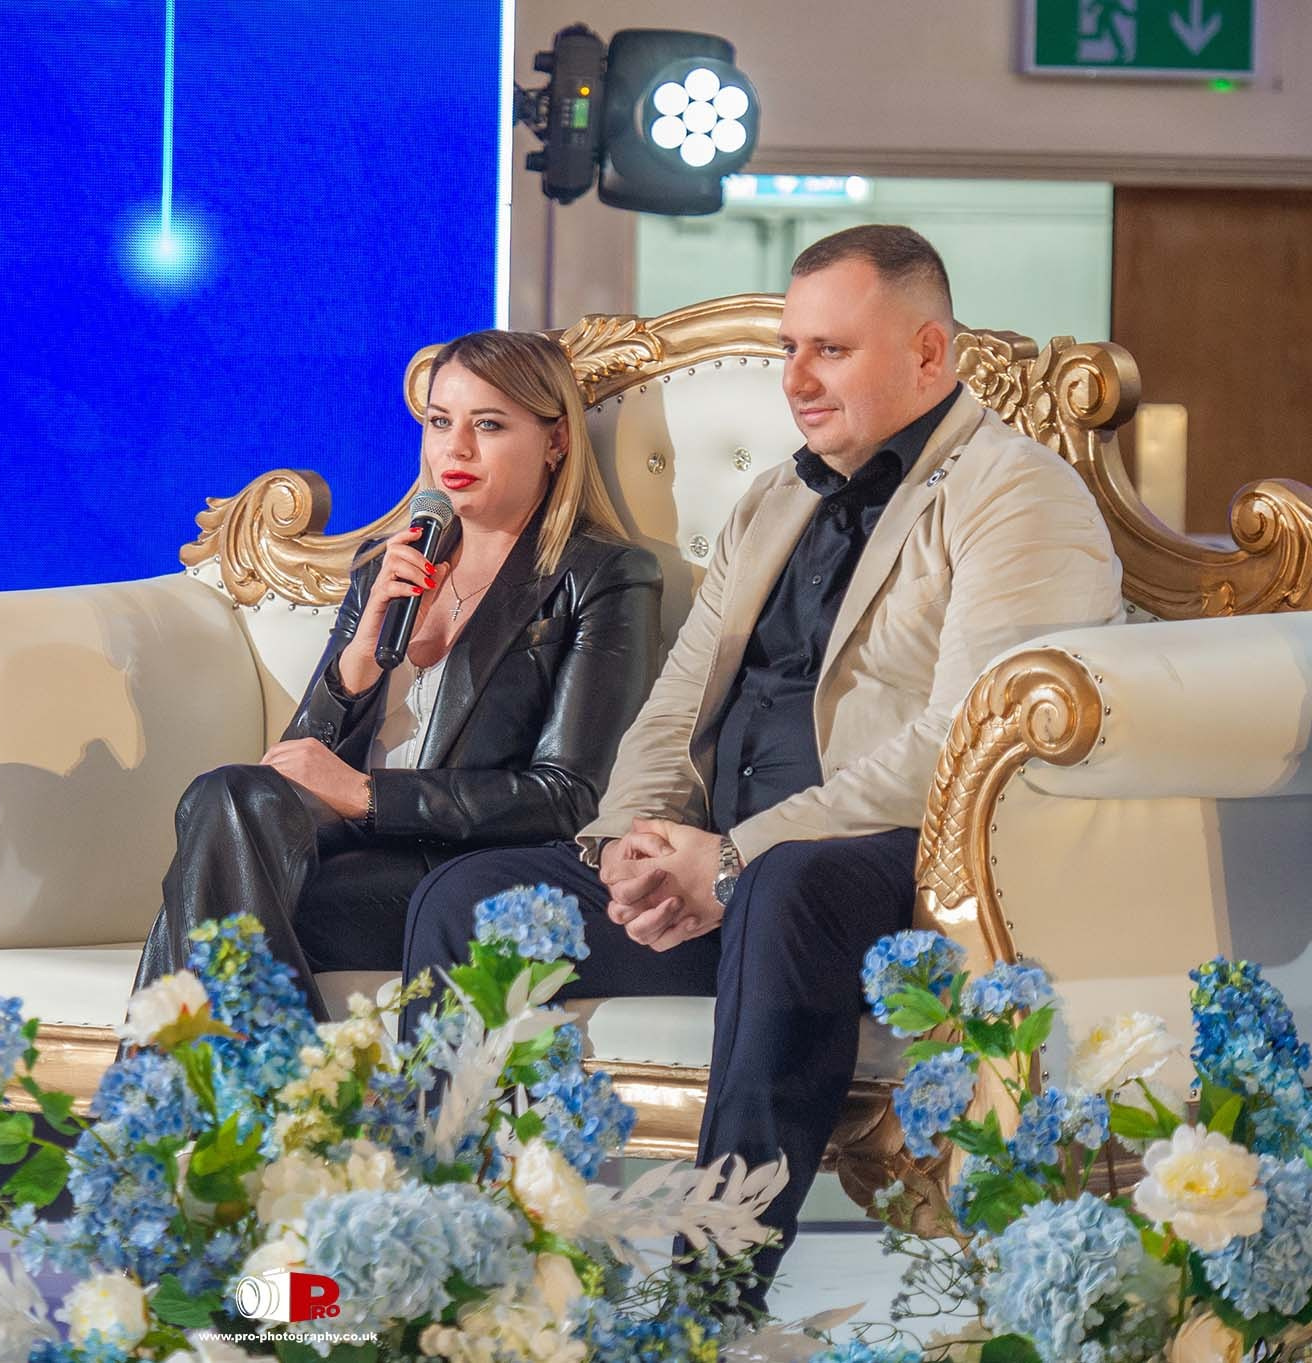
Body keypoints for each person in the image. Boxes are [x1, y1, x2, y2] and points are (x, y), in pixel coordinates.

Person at [398, 226, 1126, 1298]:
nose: (792, 379)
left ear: (929, 354)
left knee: (789, 884)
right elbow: (673, 703)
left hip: (901, 873)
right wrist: (628, 845)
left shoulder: (1016, 495)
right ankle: (427, 1250)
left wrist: (732, 858)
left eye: (827, 350)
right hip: (723, 867)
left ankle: (707, 1294)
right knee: (472, 895)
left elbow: (961, 744)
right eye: (788, 348)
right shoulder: (776, 499)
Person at [135, 330, 663, 1018]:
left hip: (461, 873)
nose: (456, 449)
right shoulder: (385, 568)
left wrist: (368, 794)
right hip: (345, 856)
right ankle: (280, 1101)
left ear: (556, 441)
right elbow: (292, 767)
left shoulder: (601, 577)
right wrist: (356, 660)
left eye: (490, 425)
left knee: (208, 897)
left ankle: (223, 1108)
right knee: (227, 795)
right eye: (440, 422)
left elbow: (567, 796)